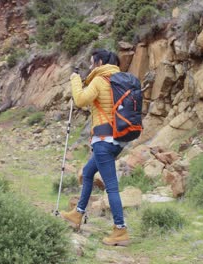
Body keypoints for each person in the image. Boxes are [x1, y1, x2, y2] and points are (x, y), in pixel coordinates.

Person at [60, 49, 129, 246]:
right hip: (118, 140)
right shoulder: (121, 80)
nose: (91, 67)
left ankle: (120, 230)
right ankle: (78, 213)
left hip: (103, 140)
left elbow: (81, 100)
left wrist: (75, 80)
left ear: (99, 62)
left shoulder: (100, 80)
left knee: (112, 187)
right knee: (89, 172)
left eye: (92, 63)